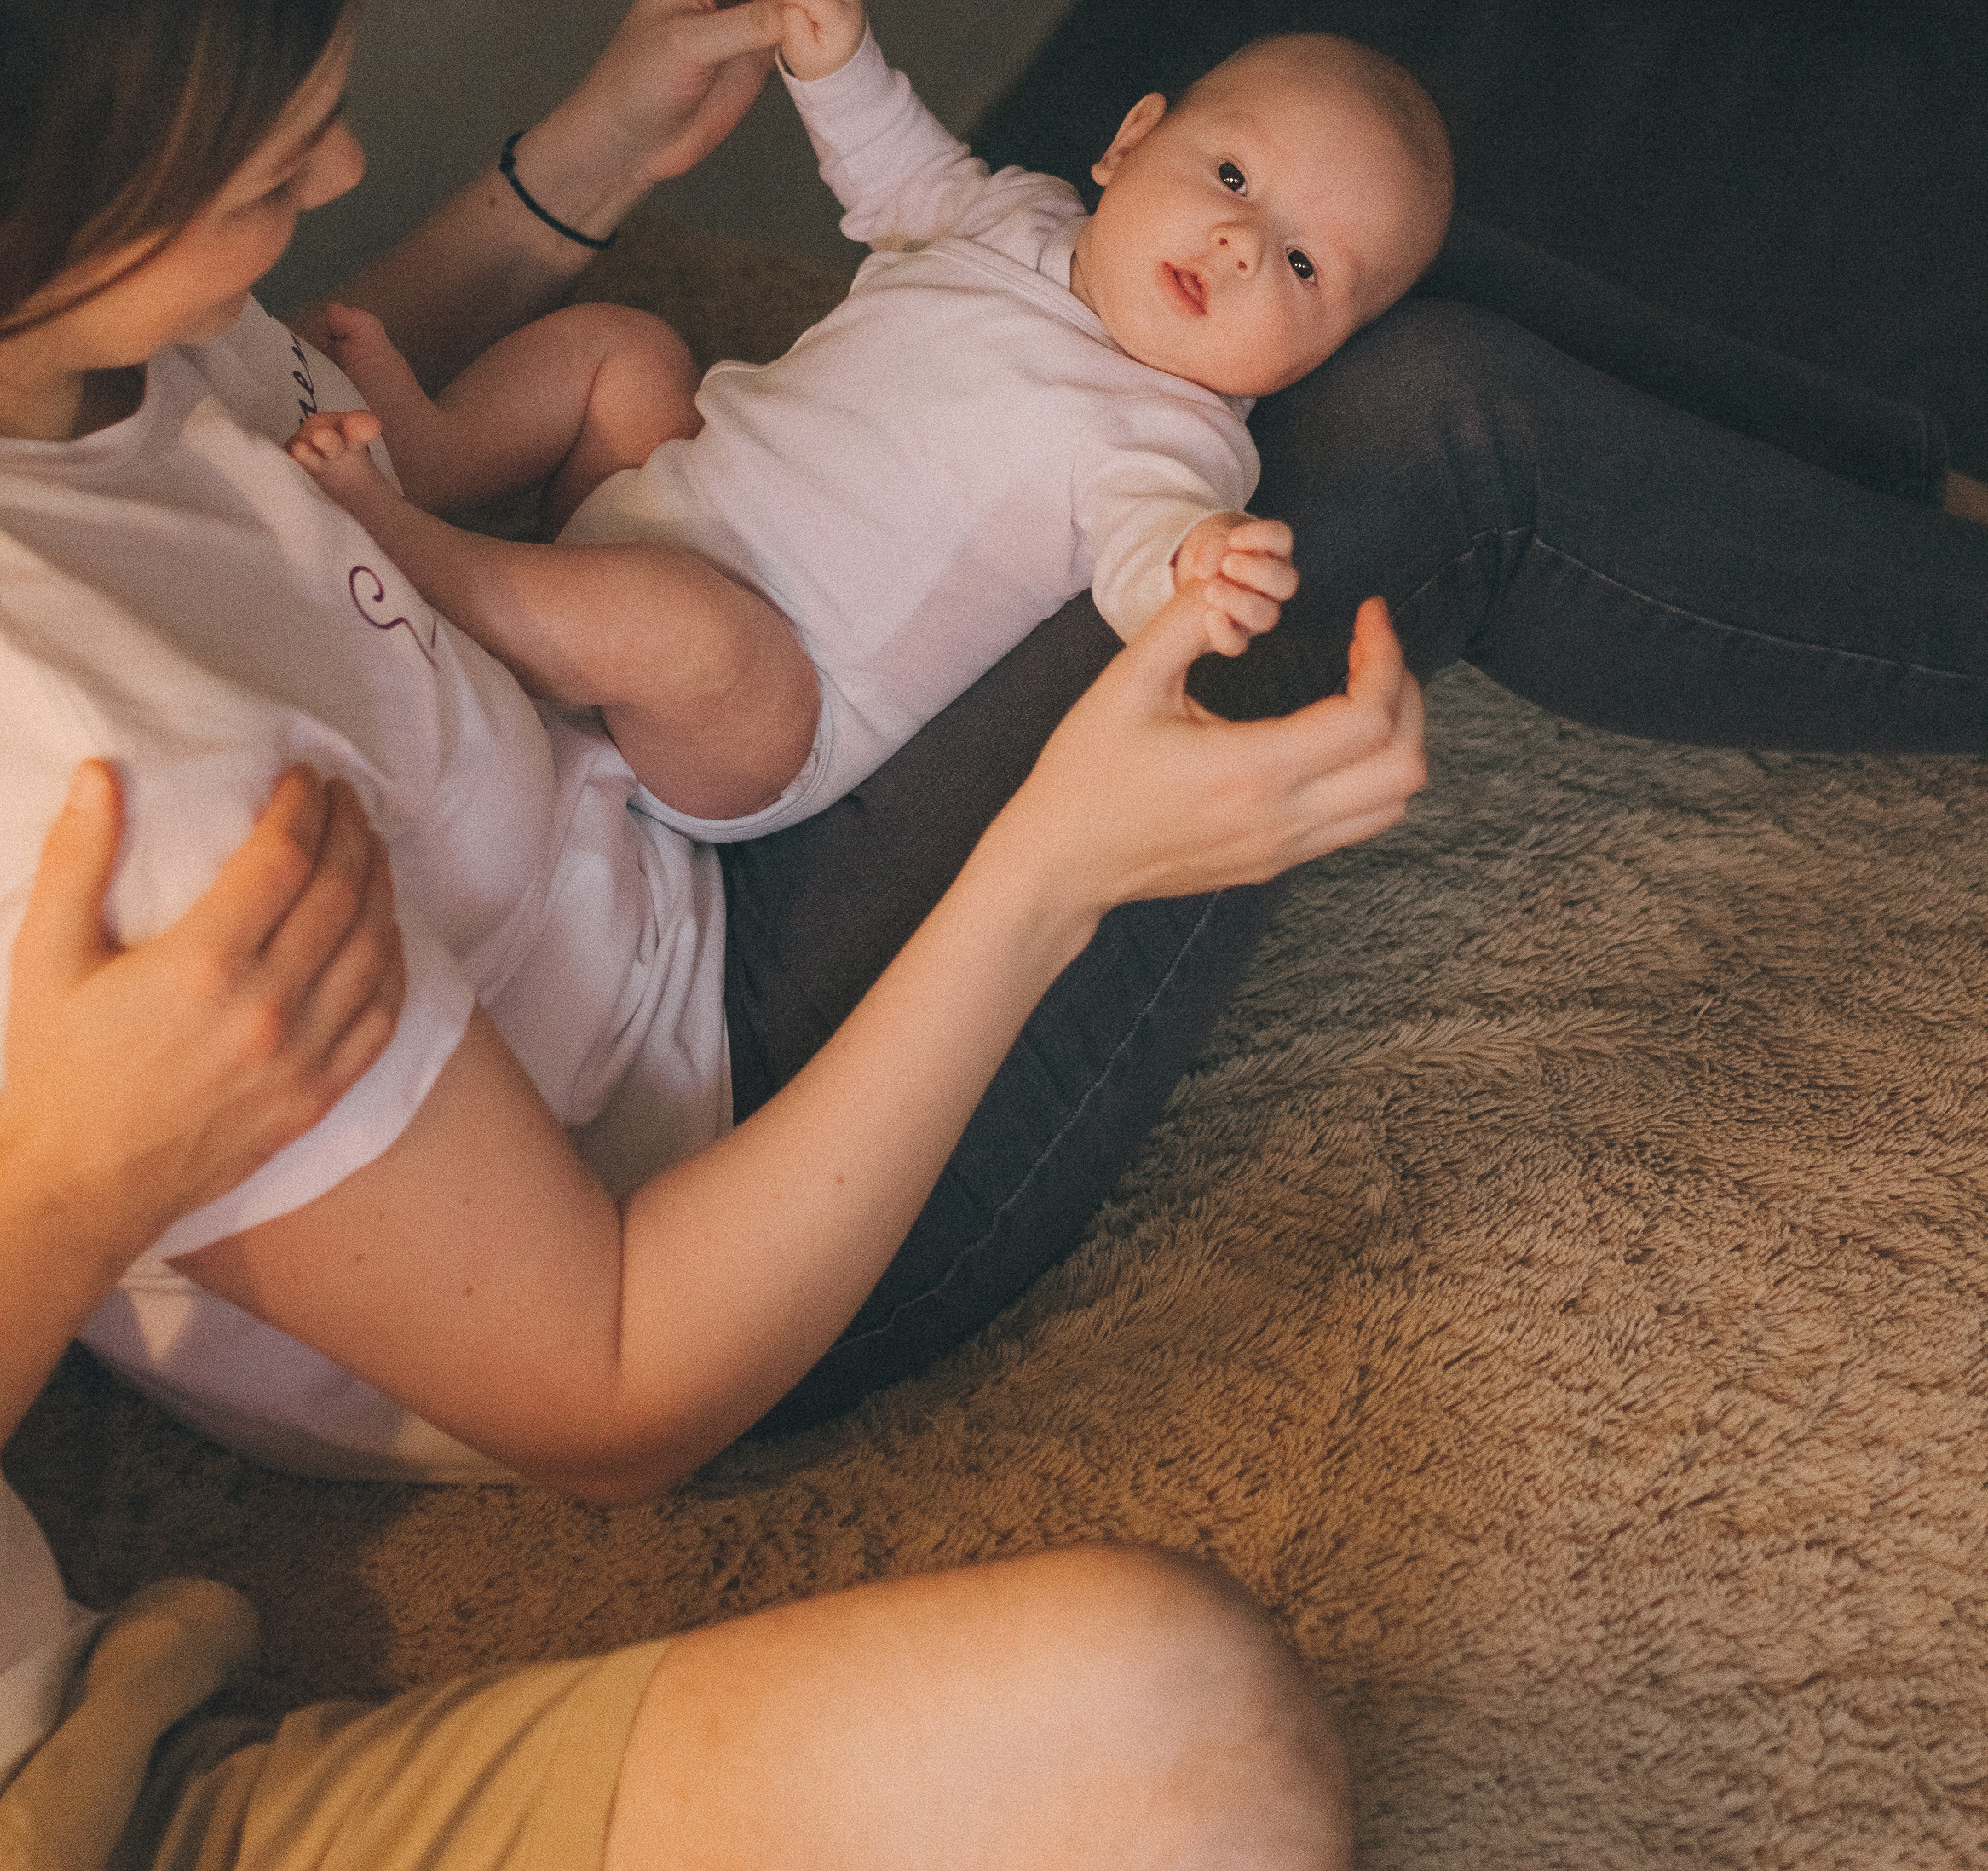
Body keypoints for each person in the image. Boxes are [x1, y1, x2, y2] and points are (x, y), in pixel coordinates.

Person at [6, 0, 1988, 1495]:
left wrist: (599, 144)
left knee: (1342, 231)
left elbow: (285, 415)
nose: (346, 170)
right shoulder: (103, 775)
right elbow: (609, 1377)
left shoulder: (64, 357)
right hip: (726, 1171)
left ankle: (1910, 486)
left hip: (650, 817)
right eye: (271, 175)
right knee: (1424, 419)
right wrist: (1058, 857)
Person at [1, 761, 1353, 1871]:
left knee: (1162, 1721)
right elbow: (617, 1381)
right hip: (680, 1214)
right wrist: (68, 1194)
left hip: (118, 1755)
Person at [281, 0, 1453, 834]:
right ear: (1128, 142)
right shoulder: (1017, 213)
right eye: (1233, 175)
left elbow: (1146, 541)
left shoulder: (1174, 434)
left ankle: (413, 550)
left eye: (1303, 266)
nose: (1241, 243)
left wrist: (1195, 570)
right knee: (623, 348)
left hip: (765, 701)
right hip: (658, 498)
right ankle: (433, 457)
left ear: (1317, 357)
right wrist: (834, 63)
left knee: (689, 631)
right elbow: (899, 171)